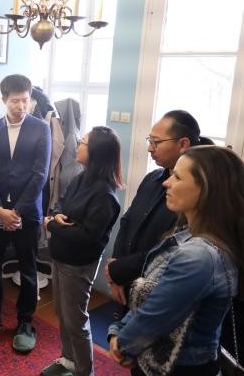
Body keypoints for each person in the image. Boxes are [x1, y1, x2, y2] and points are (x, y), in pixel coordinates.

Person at [108, 146, 244, 376]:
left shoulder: (199, 256)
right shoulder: (187, 235)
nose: (166, 183)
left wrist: (122, 343)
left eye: (178, 177)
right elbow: (151, 296)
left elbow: (155, 317)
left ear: (206, 190)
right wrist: (120, 329)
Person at [0, 74, 51, 354]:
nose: (21, 106)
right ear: (4, 99)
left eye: (25, 100)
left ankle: (25, 323)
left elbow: (40, 175)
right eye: (15, 101)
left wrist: (15, 212)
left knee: (28, 269)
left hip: (26, 214)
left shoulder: (41, 129)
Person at [105, 110, 212, 312]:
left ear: (183, 144)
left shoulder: (196, 196)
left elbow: (170, 250)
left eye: (156, 142)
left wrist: (120, 269)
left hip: (160, 292)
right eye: (150, 141)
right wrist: (116, 271)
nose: (149, 148)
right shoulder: (152, 178)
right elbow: (127, 221)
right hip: (126, 281)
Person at [42, 126, 123, 376]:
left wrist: (52, 224)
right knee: (62, 313)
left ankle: (84, 371)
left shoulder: (105, 195)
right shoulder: (82, 176)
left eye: (83, 142)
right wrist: (57, 215)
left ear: (97, 151)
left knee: (75, 320)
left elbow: (86, 236)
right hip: (61, 255)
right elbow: (62, 202)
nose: (77, 145)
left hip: (78, 264)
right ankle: (68, 359)